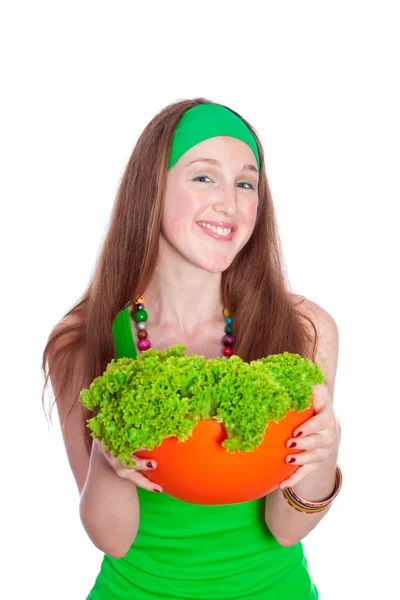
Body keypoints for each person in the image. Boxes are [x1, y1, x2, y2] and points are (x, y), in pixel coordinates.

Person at [42, 98, 342, 599]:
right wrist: (108, 456)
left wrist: (325, 452)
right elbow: (113, 540)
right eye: (205, 177)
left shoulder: (305, 329)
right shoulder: (81, 340)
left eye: (246, 183)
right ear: (152, 188)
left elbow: (287, 528)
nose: (230, 202)